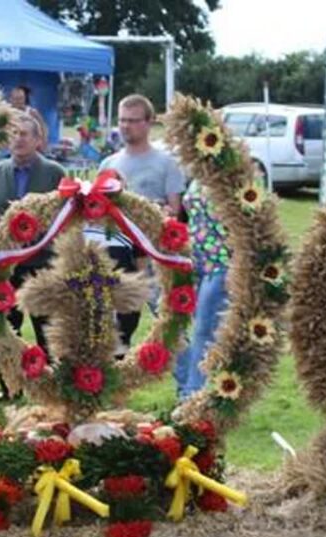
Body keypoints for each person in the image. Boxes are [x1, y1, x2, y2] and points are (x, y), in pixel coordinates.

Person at [0, 114, 65, 398]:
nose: (18, 138)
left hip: (42, 264)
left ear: (38, 140)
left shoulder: (54, 173)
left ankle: (53, 387)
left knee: (47, 328)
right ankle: (9, 389)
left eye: (25, 134)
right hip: (6, 268)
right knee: (6, 328)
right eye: (14, 133)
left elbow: (64, 218)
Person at [99, 93, 186, 347]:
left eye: (133, 120)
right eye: (122, 120)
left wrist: (146, 210)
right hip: (116, 254)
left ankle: (186, 385)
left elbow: (174, 210)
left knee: (172, 326)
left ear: (149, 122)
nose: (126, 126)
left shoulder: (167, 163)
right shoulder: (108, 163)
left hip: (154, 255)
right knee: (115, 329)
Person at [174, 179, 230, 398]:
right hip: (198, 265)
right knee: (199, 329)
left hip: (221, 264)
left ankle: (193, 395)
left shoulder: (227, 180)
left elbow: (242, 225)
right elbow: (187, 217)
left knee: (204, 331)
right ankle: (198, 391)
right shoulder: (197, 177)